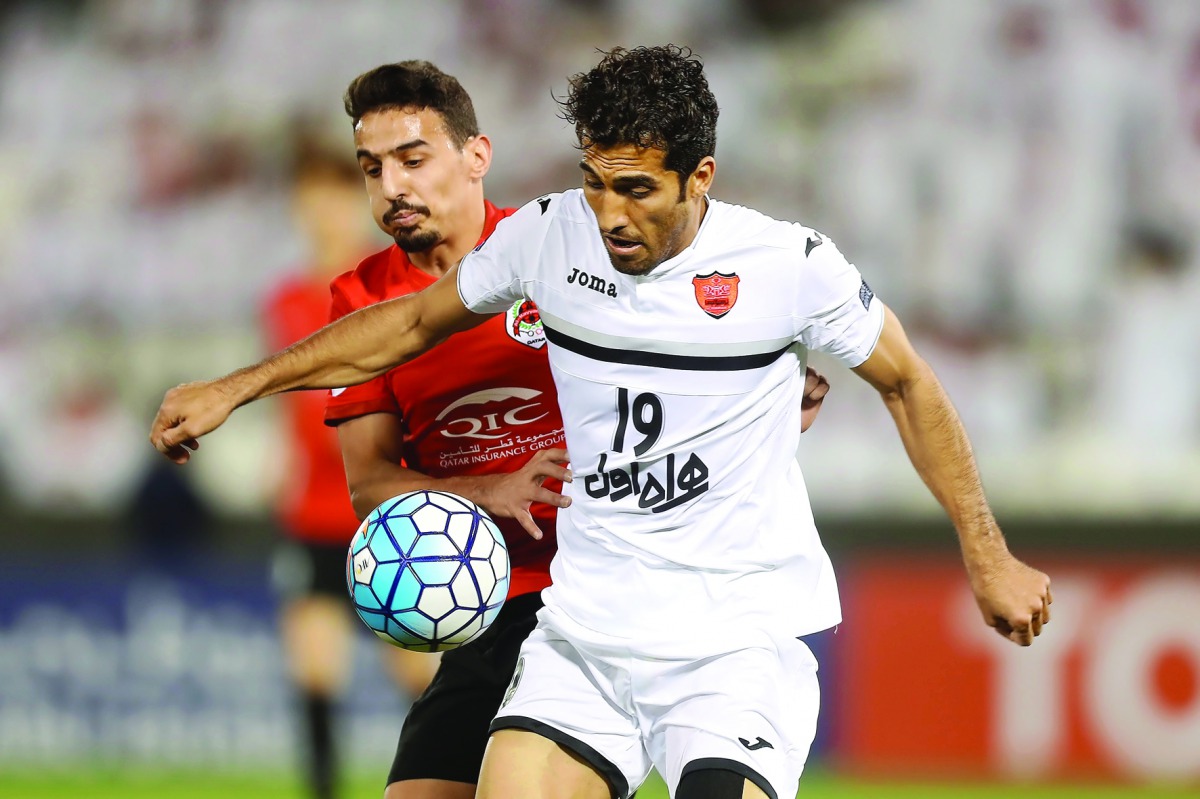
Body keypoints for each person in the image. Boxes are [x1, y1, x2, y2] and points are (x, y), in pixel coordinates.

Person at [151, 45, 1050, 799]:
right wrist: (239, 386)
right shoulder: (549, 237)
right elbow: (411, 324)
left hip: (729, 642)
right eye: (592, 182)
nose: (609, 214)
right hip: (581, 635)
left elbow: (909, 384)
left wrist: (987, 550)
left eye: (633, 188)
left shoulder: (790, 267)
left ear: (700, 175)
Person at [313, 60, 827, 799]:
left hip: (610, 591)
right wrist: (484, 489)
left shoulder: (560, 249)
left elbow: (680, 350)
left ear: (476, 156)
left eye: (412, 159)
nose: (392, 185)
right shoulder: (361, 301)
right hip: (491, 599)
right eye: (372, 168)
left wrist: (759, 398)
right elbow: (368, 484)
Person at [262, 133, 440, 799]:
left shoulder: (382, 287)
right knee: (314, 679)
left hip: (382, 517)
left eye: (334, 197)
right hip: (310, 516)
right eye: (309, 198)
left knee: (419, 684)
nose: (320, 212)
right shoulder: (285, 300)